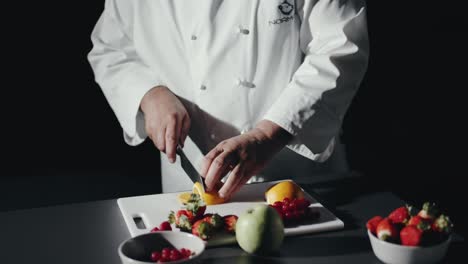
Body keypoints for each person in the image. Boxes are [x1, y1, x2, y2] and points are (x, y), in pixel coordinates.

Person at [88, 0, 369, 198]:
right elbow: (110, 49)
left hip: (292, 173)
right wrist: (149, 95)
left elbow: (340, 46)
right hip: (190, 179)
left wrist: (266, 136)